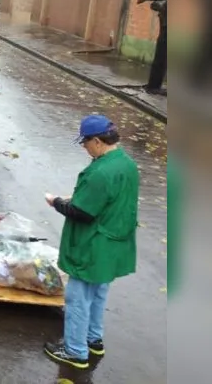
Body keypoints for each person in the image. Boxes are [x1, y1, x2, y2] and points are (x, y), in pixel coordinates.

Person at [43, 114, 139, 370]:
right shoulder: (126, 164)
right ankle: (93, 338)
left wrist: (57, 202)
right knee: (98, 293)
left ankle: (75, 352)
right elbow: (109, 199)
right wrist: (76, 198)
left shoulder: (100, 171)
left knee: (77, 297)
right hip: (113, 243)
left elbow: (83, 213)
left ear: (97, 141)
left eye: (85, 142)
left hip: (94, 245)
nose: (84, 147)